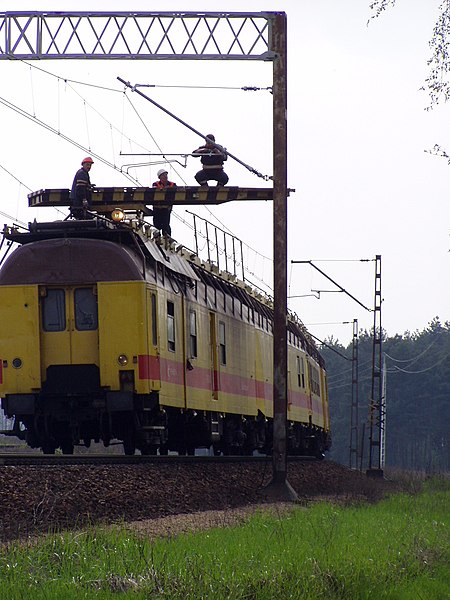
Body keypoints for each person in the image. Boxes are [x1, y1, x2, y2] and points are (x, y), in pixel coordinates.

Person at [151, 168, 176, 236]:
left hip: (166, 209)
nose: (165, 176)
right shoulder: (155, 184)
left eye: (166, 175)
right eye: (163, 175)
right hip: (157, 209)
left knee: (166, 225)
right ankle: (157, 237)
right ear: (160, 177)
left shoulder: (172, 184)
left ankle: (167, 237)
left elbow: (175, 193)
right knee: (157, 225)